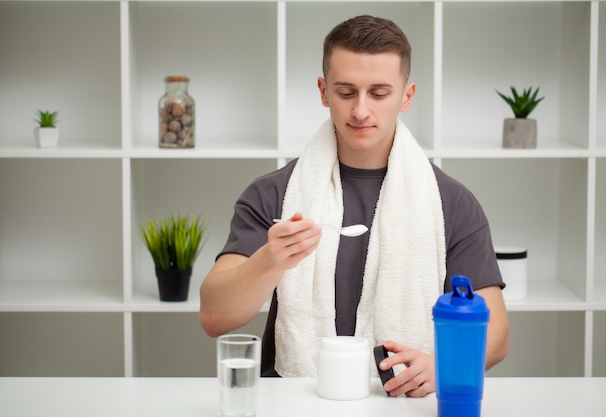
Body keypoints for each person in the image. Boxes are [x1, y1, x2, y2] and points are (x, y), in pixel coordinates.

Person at [200, 15, 509, 398]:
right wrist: (271, 259)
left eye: (379, 94)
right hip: (289, 398)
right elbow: (214, 316)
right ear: (323, 91)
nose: (361, 111)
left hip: (400, 398)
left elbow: (496, 334)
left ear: (407, 96)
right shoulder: (274, 194)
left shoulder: (452, 203)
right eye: (346, 92)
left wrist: (445, 366)